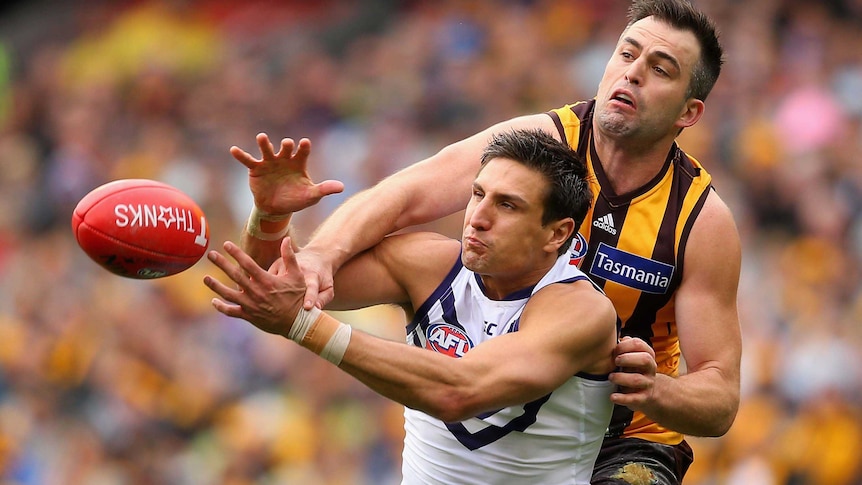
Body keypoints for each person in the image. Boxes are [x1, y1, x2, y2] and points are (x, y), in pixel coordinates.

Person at [232, 1, 742, 483]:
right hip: (498, 386)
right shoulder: (537, 147)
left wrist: (657, 390)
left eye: (660, 68)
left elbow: (720, 397)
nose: (632, 72)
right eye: (627, 53)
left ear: (689, 113)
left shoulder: (699, 221)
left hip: (625, 435)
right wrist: (312, 248)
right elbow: (405, 193)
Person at [205, 129, 619, 484]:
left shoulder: (580, 311)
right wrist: (271, 218)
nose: (477, 217)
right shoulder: (426, 264)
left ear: (557, 233)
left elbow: (458, 391)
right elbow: (275, 289)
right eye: (478, 194)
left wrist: (302, 326)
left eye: (507, 205)